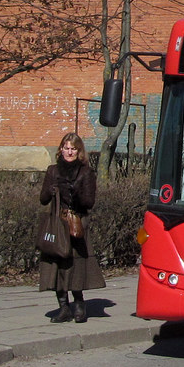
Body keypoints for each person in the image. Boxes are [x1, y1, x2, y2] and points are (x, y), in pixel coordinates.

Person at [39, 133, 105, 323]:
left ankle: (79, 304)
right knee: (58, 265)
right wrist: (51, 190)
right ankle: (63, 307)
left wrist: (75, 193)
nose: (69, 152)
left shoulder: (86, 173)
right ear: (61, 149)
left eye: (73, 149)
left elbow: (89, 202)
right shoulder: (52, 171)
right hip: (57, 223)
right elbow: (42, 199)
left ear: (79, 151)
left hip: (77, 223)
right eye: (66, 148)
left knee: (75, 265)